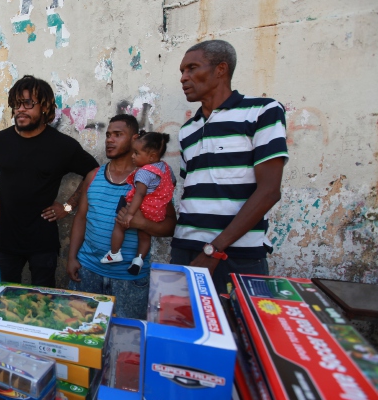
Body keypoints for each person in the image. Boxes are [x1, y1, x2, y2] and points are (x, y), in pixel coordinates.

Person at [172, 39, 287, 295]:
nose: (184, 77)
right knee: (183, 328)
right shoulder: (187, 130)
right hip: (185, 251)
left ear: (221, 69)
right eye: (182, 71)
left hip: (237, 255)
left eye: (192, 68)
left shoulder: (262, 112)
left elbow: (269, 191)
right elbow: (193, 193)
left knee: (242, 331)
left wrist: (214, 249)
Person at [0, 75, 99, 288]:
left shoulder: (61, 146)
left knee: (43, 300)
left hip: (43, 241)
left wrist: (68, 206)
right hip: (7, 239)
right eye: (16, 104)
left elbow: (93, 170)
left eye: (27, 103)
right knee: (3, 297)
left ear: (44, 106)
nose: (20, 109)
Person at [67, 115, 177, 319]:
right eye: (108, 135)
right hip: (87, 272)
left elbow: (171, 226)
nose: (110, 140)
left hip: (129, 280)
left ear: (135, 139)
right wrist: (72, 257)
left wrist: (142, 223)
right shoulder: (93, 176)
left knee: (125, 342)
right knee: (80, 336)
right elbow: (81, 218)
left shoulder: (151, 180)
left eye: (118, 135)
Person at [101, 131, 175, 276]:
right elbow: (172, 183)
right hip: (158, 210)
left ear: (152, 156)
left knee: (119, 224)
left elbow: (139, 194)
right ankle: (138, 260)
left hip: (143, 207)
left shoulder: (144, 172)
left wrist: (129, 214)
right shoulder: (166, 168)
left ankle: (114, 253)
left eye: (136, 153)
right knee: (145, 235)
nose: (133, 156)